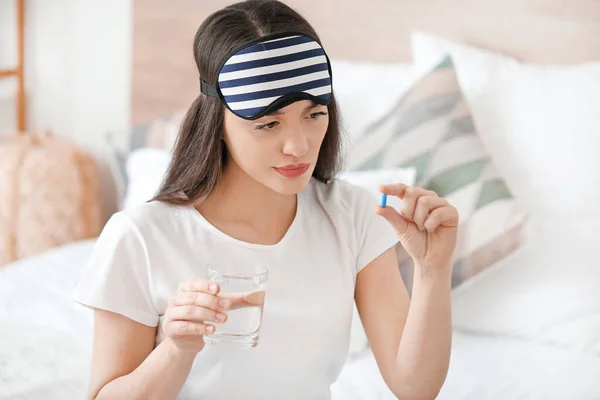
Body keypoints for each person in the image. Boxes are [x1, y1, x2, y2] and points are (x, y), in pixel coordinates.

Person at [73, 1, 459, 399]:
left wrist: (432, 270)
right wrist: (176, 349)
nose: (298, 146)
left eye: (313, 114)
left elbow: (416, 387)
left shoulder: (353, 216)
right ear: (216, 122)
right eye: (268, 124)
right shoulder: (140, 236)